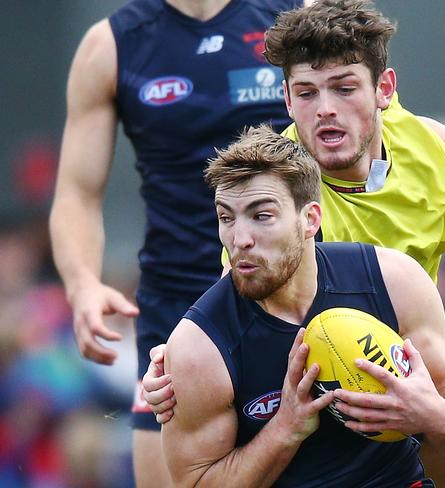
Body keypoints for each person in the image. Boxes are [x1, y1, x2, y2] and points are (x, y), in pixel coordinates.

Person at [145, 0, 445, 485]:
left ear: (383, 90)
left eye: (344, 88)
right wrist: (176, 359)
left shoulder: (433, 147)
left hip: (421, 354)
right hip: (331, 387)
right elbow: (240, 300)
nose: (325, 108)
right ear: (286, 99)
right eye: (306, 93)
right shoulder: (281, 193)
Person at [49, 1, 308, 486]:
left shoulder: (296, 14)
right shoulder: (110, 46)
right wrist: (82, 284)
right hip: (176, 307)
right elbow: (77, 194)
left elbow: (363, 135)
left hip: (292, 298)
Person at [162, 124, 445, 487]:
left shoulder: (392, 281)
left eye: (262, 215)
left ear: (310, 219)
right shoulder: (199, 346)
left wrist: (430, 415)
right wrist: (285, 429)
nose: (240, 239)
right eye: (226, 218)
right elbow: (196, 483)